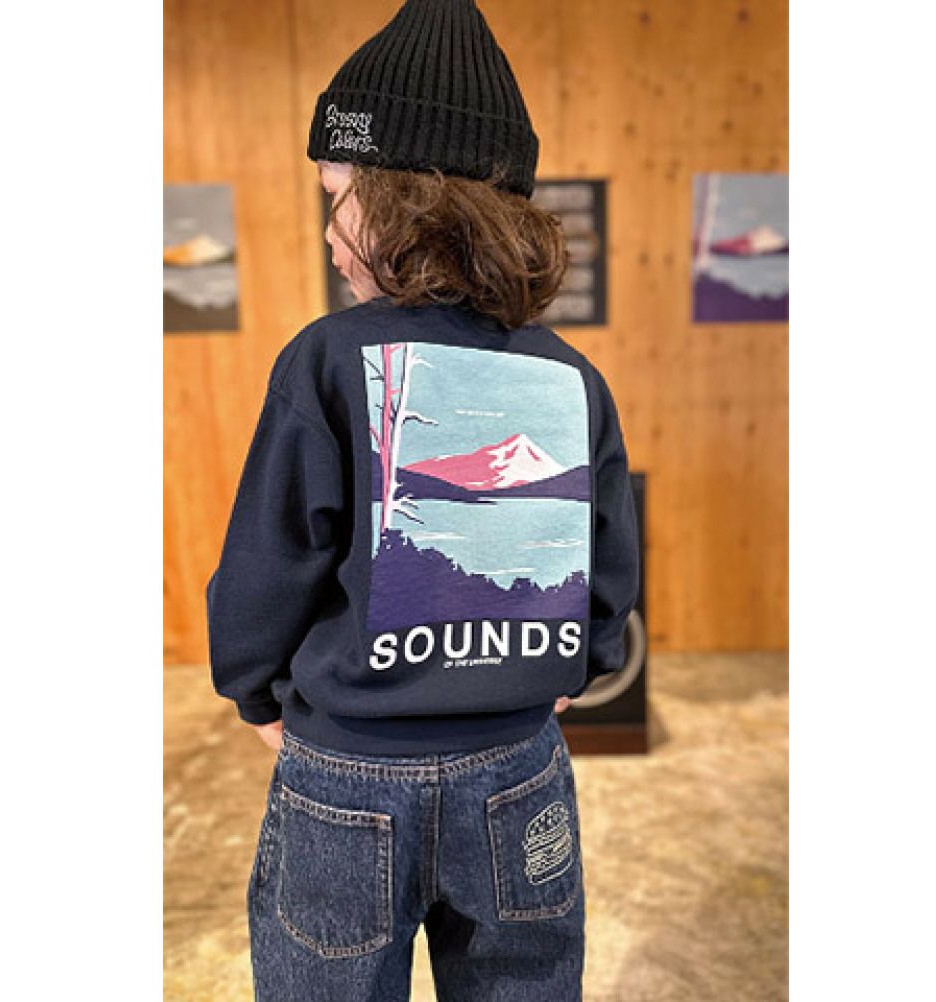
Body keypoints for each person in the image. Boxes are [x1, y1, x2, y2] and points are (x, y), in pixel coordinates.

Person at [205, 1, 640, 998]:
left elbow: (272, 556)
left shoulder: (323, 360)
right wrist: (580, 660)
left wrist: (254, 689)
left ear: (402, 200)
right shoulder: (570, 374)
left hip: (348, 777)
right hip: (518, 766)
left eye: (337, 192)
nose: (327, 228)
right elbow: (608, 557)